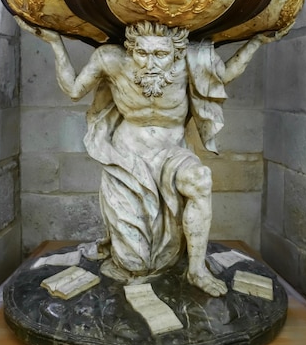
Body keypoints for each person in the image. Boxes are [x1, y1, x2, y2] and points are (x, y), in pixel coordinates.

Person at [16, 17, 289, 297]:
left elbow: (227, 74)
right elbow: (74, 90)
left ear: (176, 52)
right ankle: (134, 258)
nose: (150, 63)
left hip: (172, 152)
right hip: (125, 157)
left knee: (200, 180)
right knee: (134, 264)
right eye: (142, 53)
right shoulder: (111, 59)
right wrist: (55, 43)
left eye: (160, 54)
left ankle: (196, 269)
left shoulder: (192, 60)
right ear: (131, 48)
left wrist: (256, 42)